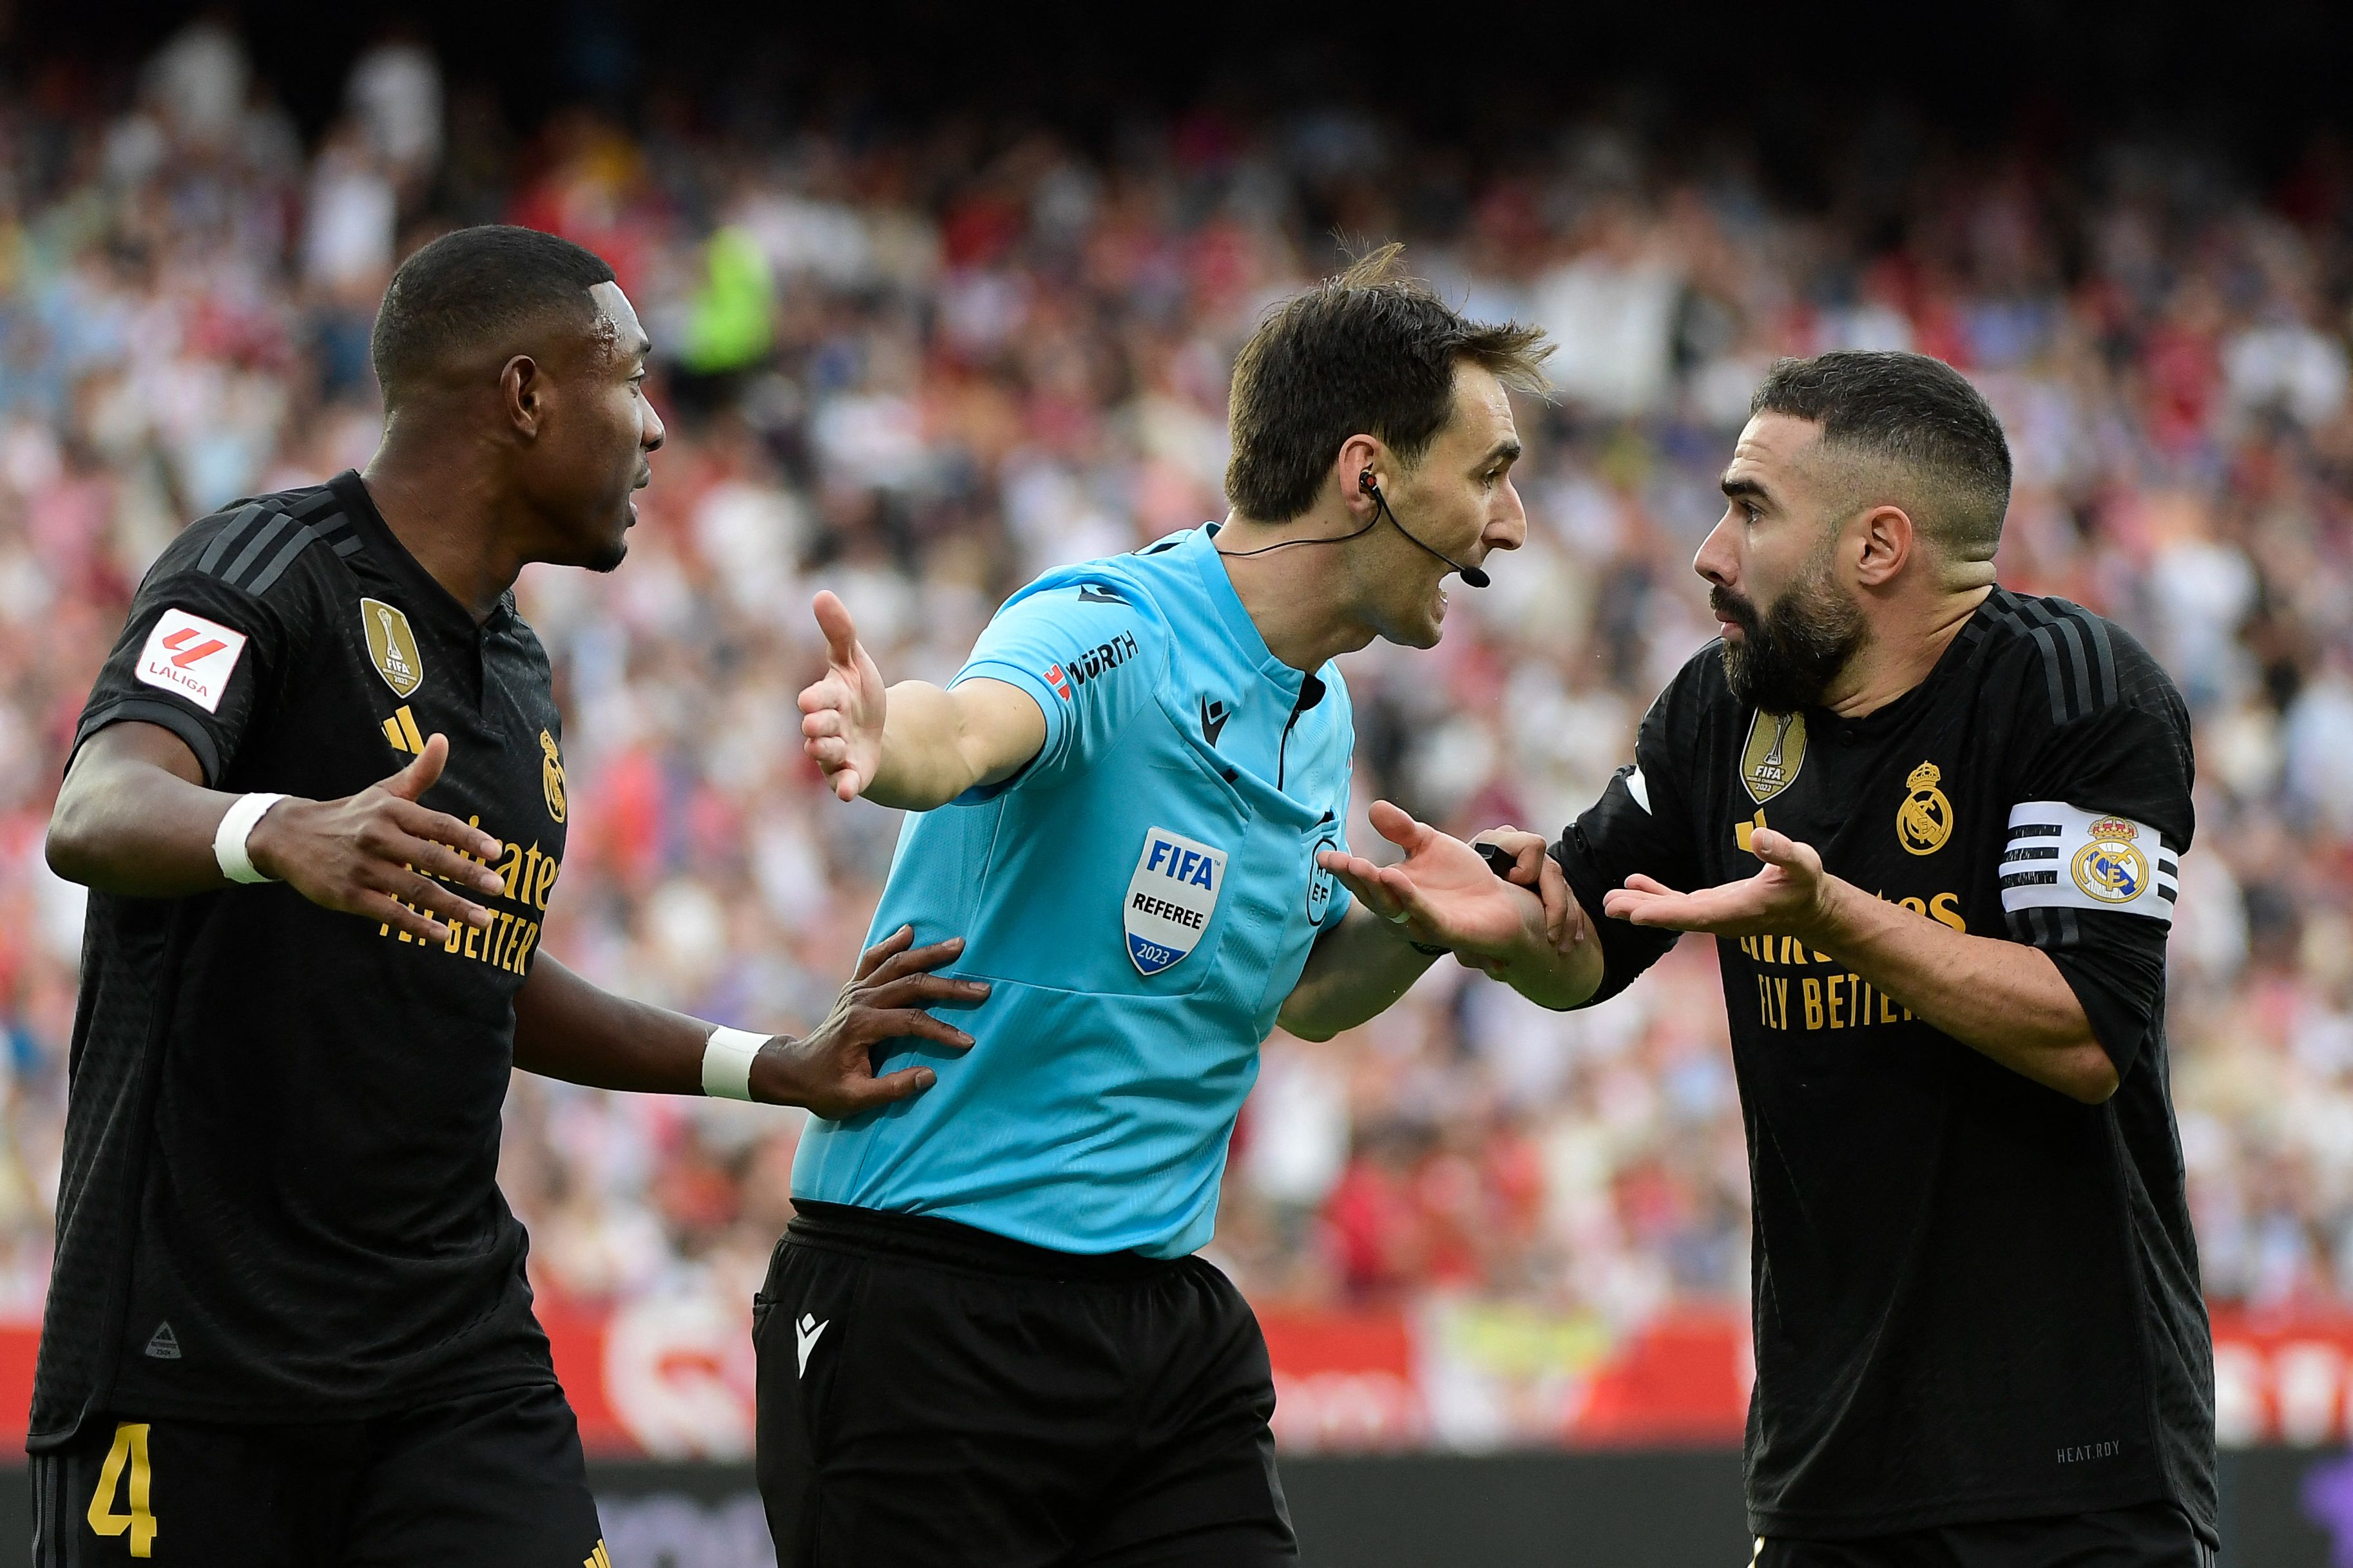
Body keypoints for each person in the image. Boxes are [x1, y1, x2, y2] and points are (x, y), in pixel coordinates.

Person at [30, 225, 982, 1568]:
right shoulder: (263, 566)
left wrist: (770, 1063)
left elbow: (488, 972)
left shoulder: (518, 672)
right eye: (631, 380)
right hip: (196, 1362)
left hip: (450, 1363)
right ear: (527, 394)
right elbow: (98, 804)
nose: (656, 428)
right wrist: (276, 830)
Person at [1323, 350, 2217, 1566]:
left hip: (2074, 1472)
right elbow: (1588, 935)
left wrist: (1834, 915)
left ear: (1879, 546)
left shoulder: (2077, 694)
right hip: (1824, 1472)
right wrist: (1507, 932)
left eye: (1749, 508)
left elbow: (2086, 1031)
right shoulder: (1724, 711)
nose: (1709, 550)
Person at [769, 245, 1559, 1566]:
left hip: (1158, 1326)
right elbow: (967, 729)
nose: (1512, 521)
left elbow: (1298, 993)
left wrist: (1420, 928)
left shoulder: (1318, 707)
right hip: (928, 1303)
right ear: (1366, 474)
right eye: (1488, 472)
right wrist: (879, 732)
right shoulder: (1113, 626)